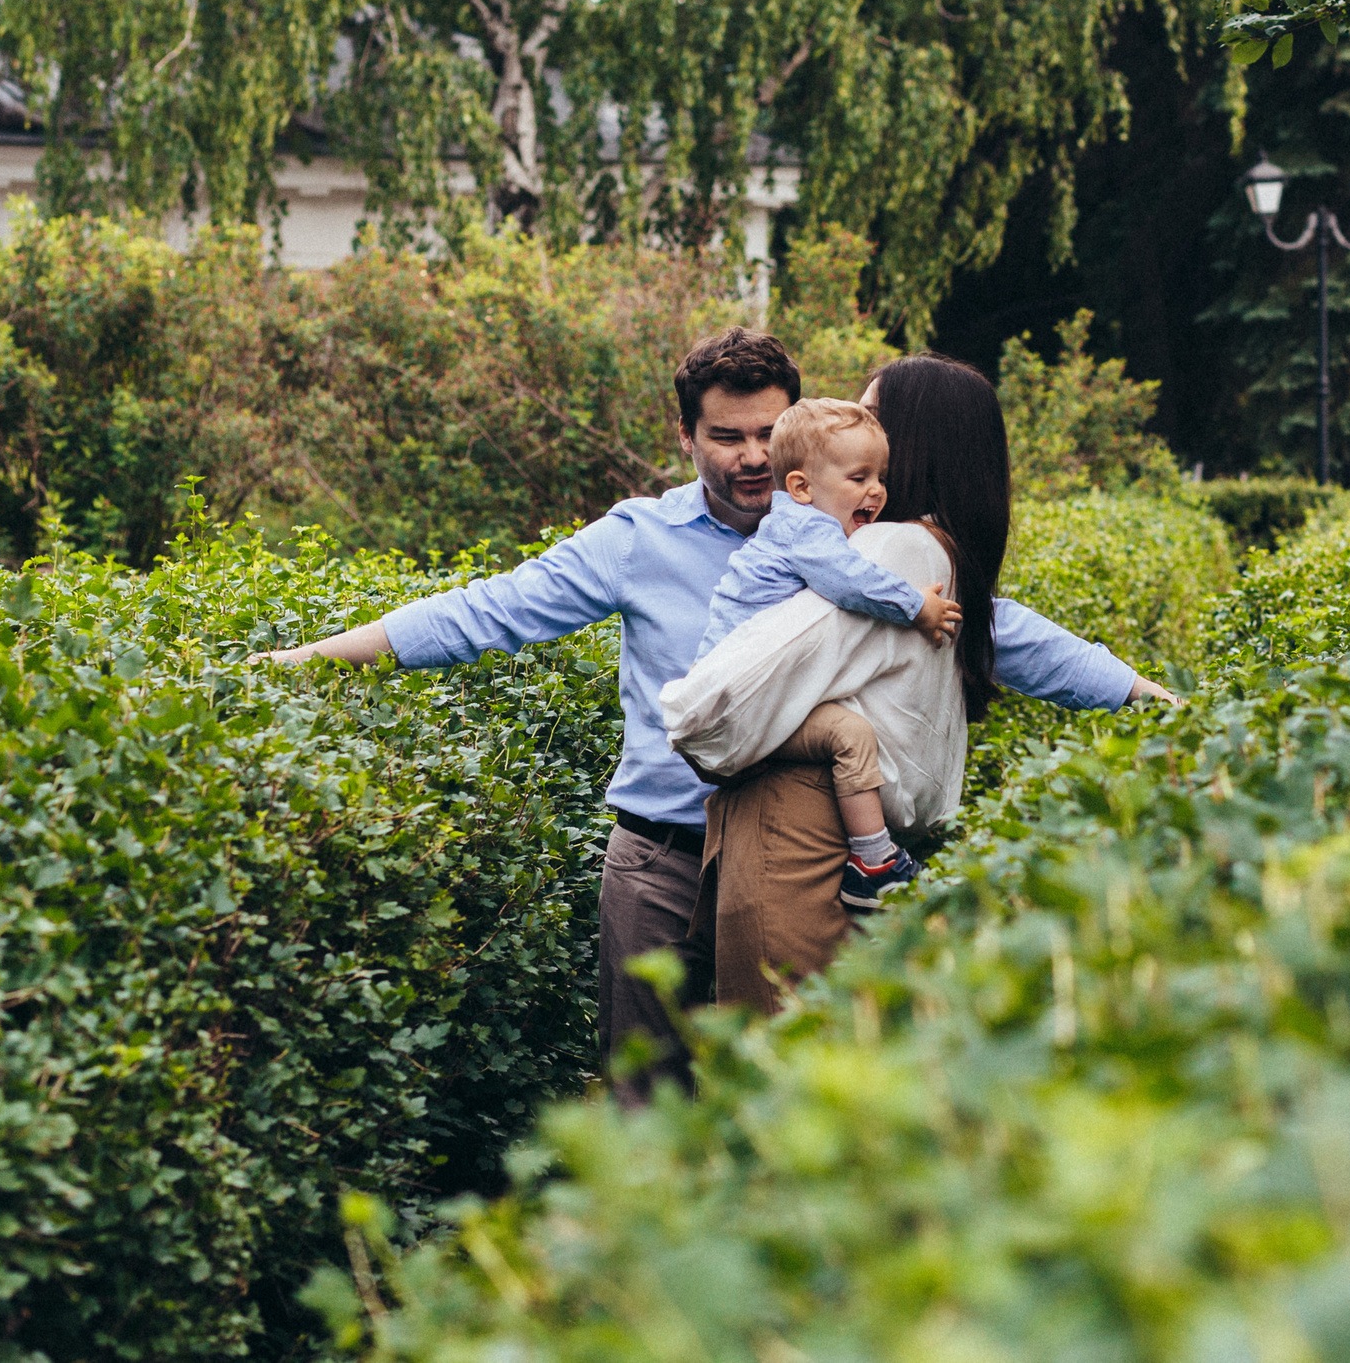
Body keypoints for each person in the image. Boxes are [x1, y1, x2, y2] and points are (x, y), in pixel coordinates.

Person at [254, 327, 1171, 1101]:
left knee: (780, 1095)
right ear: (686, 435)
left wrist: (1144, 696)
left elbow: (1004, 633)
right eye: (724, 436)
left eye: (768, 434)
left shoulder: (859, 546)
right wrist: (317, 657)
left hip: (792, 861)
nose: (748, 457)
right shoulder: (640, 538)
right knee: (644, 1102)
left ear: (803, 437)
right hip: (658, 860)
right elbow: (487, 610)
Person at [666, 350, 1071, 1019]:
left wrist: (686, 719)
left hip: (793, 835)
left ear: (916, 440)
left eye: (874, 415)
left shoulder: (894, 551)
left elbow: (724, 701)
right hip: (814, 832)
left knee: (786, 1055)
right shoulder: (906, 554)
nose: (854, 423)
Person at [688, 395, 960, 910]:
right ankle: (875, 861)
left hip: (743, 703)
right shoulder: (806, 530)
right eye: (859, 478)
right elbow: (850, 582)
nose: (877, 490)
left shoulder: (803, 525)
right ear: (801, 487)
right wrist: (915, 605)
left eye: (881, 476)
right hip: (736, 706)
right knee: (851, 736)